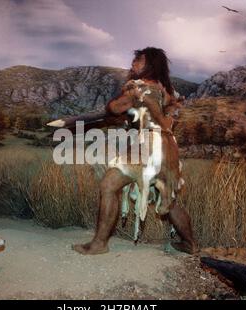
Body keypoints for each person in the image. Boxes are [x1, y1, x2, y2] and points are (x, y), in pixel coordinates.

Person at [72, 47, 197, 255]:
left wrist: (124, 96)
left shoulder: (140, 86)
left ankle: (99, 244)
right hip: (167, 148)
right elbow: (170, 115)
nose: (133, 64)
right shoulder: (166, 90)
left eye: (138, 60)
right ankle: (190, 243)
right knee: (168, 199)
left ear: (150, 64)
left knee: (109, 185)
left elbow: (114, 108)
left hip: (149, 145)